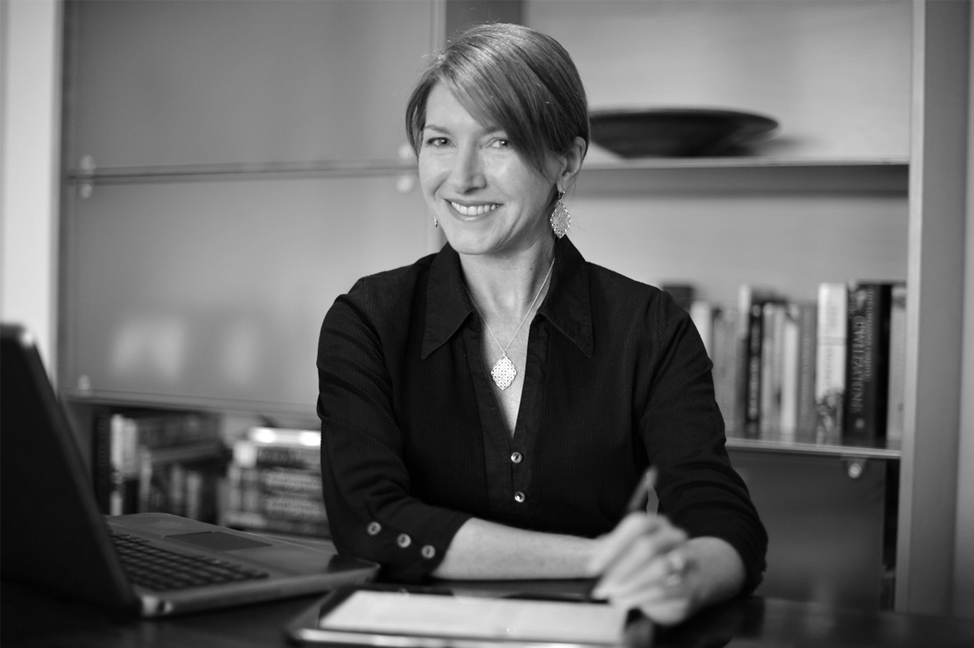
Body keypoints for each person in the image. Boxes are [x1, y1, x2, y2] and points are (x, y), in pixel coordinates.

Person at [317, 22, 767, 625]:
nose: (463, 177)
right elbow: (370, 519)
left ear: (566, 158)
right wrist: (599, 558)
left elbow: (723, 520)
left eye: (498, 142)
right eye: (440, 141)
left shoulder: (650, 327)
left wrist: (684, 575)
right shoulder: (367, 322)